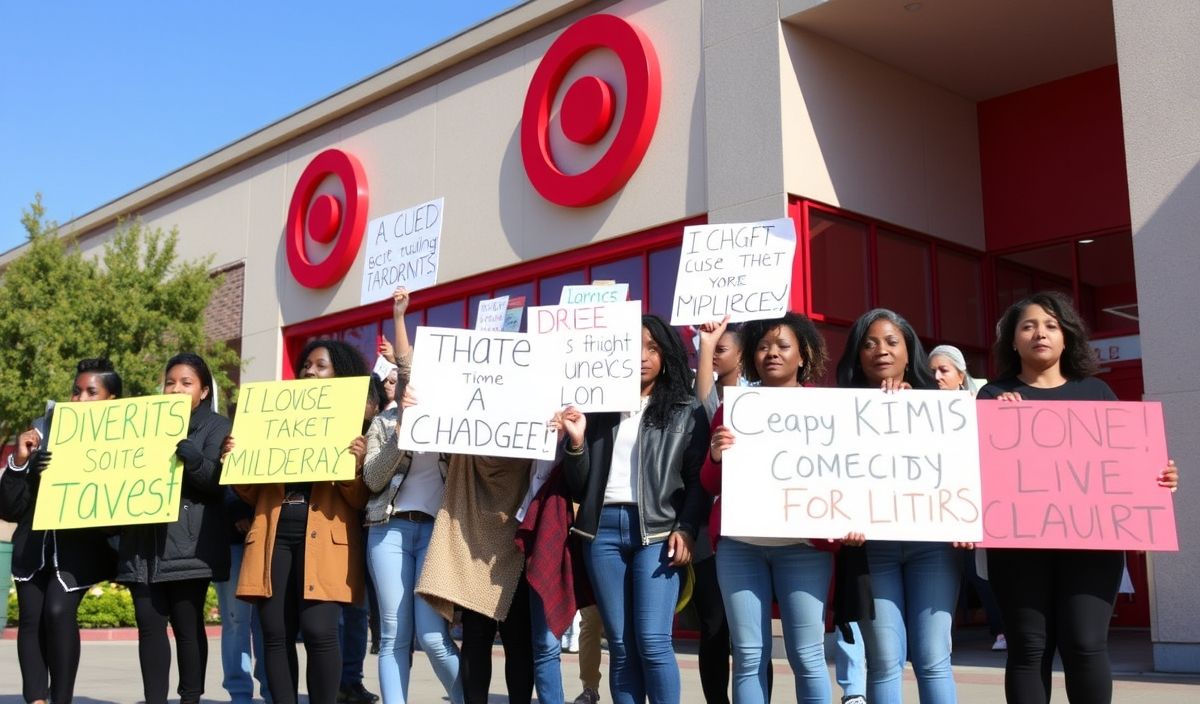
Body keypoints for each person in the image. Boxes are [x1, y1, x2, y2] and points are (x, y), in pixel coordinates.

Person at [978, 291, 1179, 703]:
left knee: (1086, 644)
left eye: (1051, 325)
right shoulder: (992, 397)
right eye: (1029, 326)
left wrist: (1157, 478)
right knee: (1029, 648)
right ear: (1012, 341)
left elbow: (1125, 464)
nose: (1040, 334)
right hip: (1019, 547)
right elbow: (975, 468)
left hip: (1092, 546)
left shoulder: (1097, 392)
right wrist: (999, 422)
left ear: (1066, 337)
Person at [559, 314, 711, 704]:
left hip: (659, 534)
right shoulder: (597, 410)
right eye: (633, 347)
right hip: (602, 533)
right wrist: (575, 444)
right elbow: (578, 486)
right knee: (622, 646)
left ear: (666, 356)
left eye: (653, 348)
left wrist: (688, 527)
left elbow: (698, 480)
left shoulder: (684, 408)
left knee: (653, 641)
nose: (643, 356)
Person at [701, 312, 841, 703]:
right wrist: (715, 457)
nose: (772, 354)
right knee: (748, 655)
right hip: (739, 546)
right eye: (763, 346)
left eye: (782, 346)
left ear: (803, 355)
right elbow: (710, 484)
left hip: (804, 548)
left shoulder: (828, 409)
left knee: (808, 655)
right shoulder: (732, 409)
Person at [233, 339, 372, 704]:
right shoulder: (273, 421)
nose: (309, 371)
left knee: (319, 630)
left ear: (340, 373)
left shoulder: (357, 428)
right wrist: (235, 461)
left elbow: (359, 500)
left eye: (319, 365)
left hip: (326, 537)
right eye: (306, 365)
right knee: (273, 631)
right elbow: (249, 493)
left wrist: (354, 464)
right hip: (273, 534)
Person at [836, 310, 961, 704]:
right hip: (872, 551)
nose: (880, 351)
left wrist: (914, 412)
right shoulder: (832, 412)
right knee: (886, 659)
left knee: (933, 658)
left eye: (892, 342)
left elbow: (959, 468)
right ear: (857, 356)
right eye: (869, 343)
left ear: (910, 353)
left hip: (933, 546)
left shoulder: (940, 409)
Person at [362, 287, 463, 704]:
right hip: (389, 531)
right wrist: (401, 433)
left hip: (436, 535)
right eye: (401, 377)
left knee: (433, 634)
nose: (406, 380)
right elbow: (372, 479)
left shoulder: (453, 420)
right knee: (393, 635)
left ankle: (465, 697)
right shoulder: (385, 423)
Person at [0, 358, 122, 704]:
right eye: (76, 391)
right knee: (31, 619)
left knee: (57, 610)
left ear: (110, 400)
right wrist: (22, 464)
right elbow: (9, 508)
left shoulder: (122, 442)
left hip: (78, 549)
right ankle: (36, 699)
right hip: (32, 546)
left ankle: (61, 699)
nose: (80, 398)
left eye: (91, 392)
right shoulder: (41, 431)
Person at [118, 352, 232, 704]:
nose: (176, 389)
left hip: (187, 547)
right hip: (142, 545)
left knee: (187, 625)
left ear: (204, 391)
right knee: (149, 627)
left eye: (186, 383)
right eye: (170, 382)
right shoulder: (141, 424)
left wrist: (195, 460)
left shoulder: (217, 427)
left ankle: (190, 698)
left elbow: (218, 483)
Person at [927, 345, 1007, 653]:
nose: (937, 377)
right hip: (936, 508)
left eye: (944, 370)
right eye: (932, 370)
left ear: (961, 375)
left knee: (980, 572)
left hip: (976, 505)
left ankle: (1002, 629)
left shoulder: (982, 406)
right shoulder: (918, 411)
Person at [691, 315, 740, 703]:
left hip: (755, 533)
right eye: (712, 354)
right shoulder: (713, 407)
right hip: (712, 534)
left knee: (749, 637)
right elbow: (702, 394)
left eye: (723, 350)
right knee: (714, 627)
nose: (714, 357)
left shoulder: (766, 398)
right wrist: (708, 343)